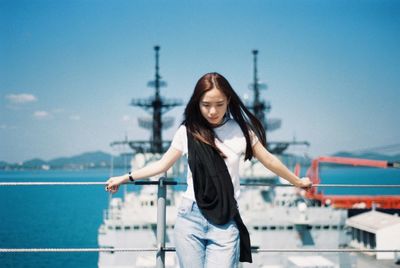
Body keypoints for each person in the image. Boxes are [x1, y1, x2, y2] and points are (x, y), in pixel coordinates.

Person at [105, 72, 312, 268]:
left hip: (225, 219)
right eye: (206, 105)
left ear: (228, 101)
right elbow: (162, 165)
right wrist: (125, 178)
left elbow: (268, 159)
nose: (212, 111)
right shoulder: (188, 131)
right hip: (190, 217)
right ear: (198, 103)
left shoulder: (242, 132)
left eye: (219, 104)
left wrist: (297, 181)